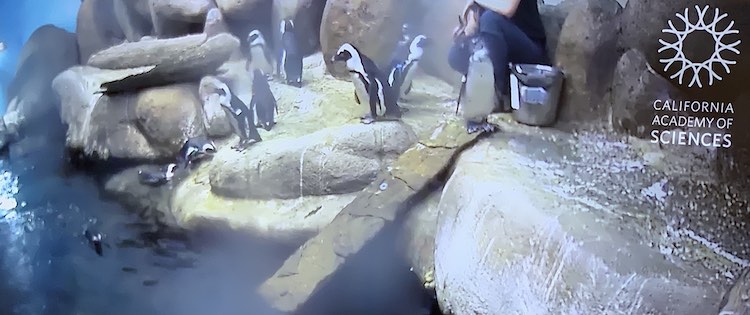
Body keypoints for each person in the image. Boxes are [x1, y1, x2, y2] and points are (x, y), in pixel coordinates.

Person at [449, 0, 549, 104]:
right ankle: (500, 84)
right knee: (456, 56)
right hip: (495, 46)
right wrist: (469, 22)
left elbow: (508, 9)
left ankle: (494, 92)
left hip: (528, 47)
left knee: (490, 19)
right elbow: (473, 7)